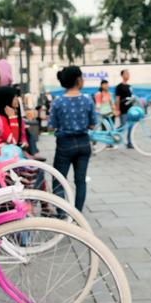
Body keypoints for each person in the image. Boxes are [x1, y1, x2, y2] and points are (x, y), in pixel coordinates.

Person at [47, 66, 95, 211]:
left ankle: (62, 213)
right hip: (84, 143)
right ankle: (77, 214)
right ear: (78, 80)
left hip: (65, 145)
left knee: (59, 180)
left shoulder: (57, 102)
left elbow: (51, 126)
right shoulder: (87, 100)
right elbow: (92, 124)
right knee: (80, 181)